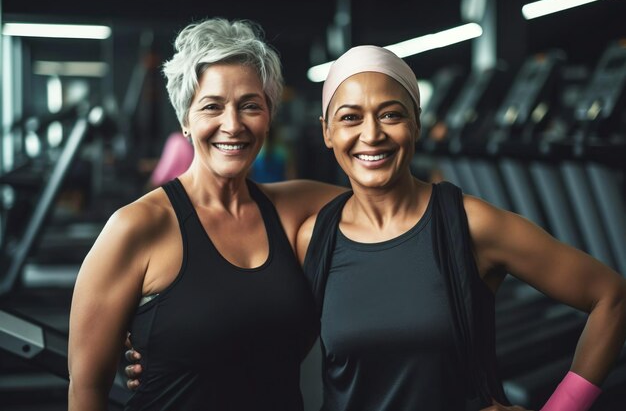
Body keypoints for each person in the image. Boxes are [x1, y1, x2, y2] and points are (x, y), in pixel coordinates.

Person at [124, 45, 626, 410]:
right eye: (350, 118)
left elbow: (611, 297)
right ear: (327, 132)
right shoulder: (312, 237)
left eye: (391, 114)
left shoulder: (469, 224)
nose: (371, 135)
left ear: (416, 123)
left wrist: (562, 408)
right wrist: (170, 355)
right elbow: (250, 322)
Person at [67, 18, 344, 411]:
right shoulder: (137, 227)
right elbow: (86, 390)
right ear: (185, 119)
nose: (232, 125)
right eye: (212, 106)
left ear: (269, 115)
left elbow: (386, 200)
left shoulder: (296, 208)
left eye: (250, 105)